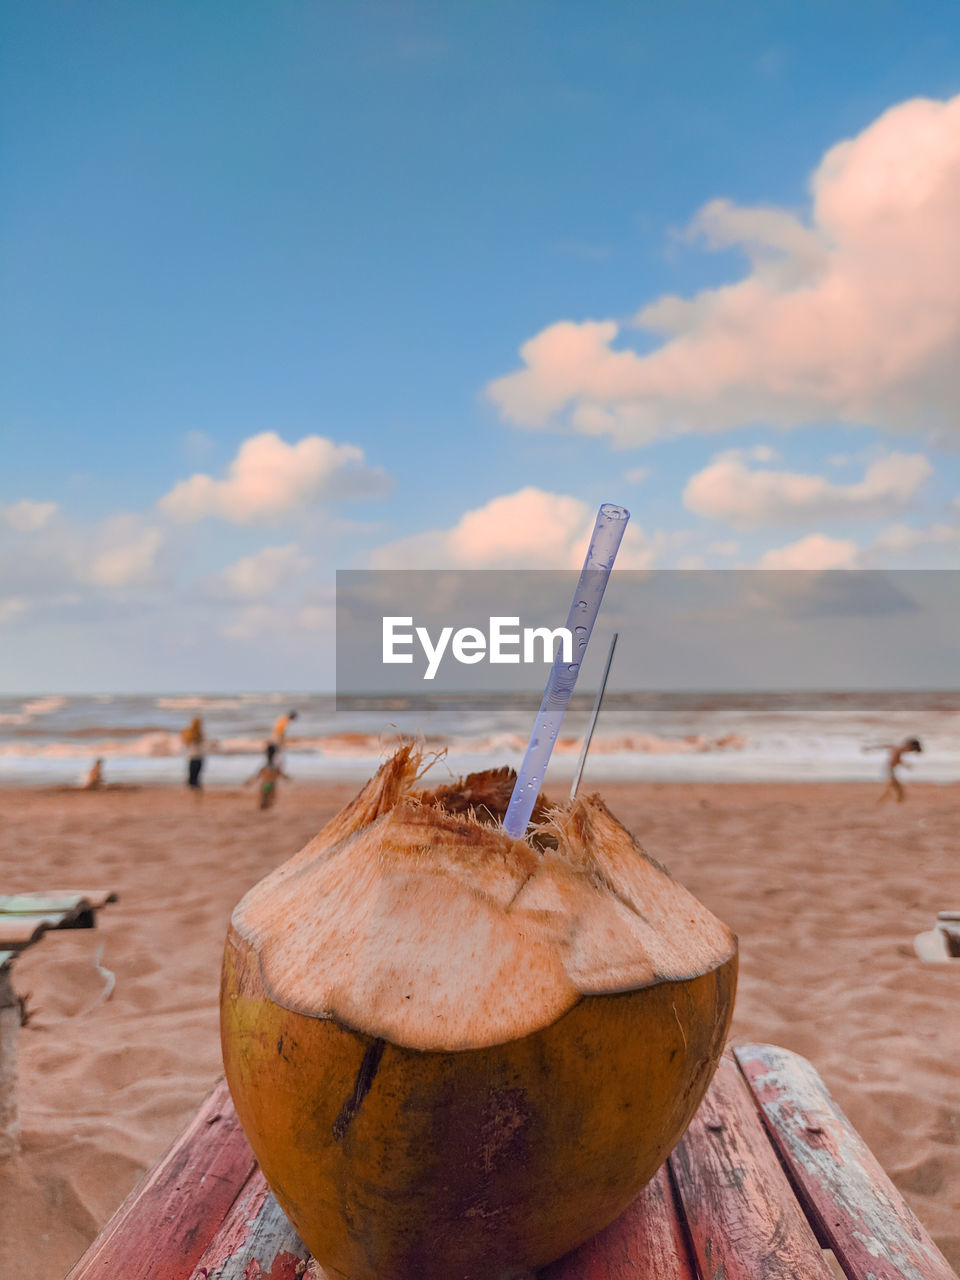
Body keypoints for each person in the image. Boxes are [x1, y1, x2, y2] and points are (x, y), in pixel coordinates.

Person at [878, 736, 923, 804]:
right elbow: (894, 761)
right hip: (890, 772)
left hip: (889, 771)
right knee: (895, 791)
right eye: (911, 750)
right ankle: (880, 804)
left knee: (894, 790)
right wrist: (905, 765)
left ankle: (887, 803)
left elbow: (888, 747)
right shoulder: (898, 750)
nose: (909, 752)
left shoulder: (897, 749)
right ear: (908, 746)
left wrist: (870, 748)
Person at [247, 742, 291, 810]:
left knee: (264, 803)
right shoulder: (274, 768)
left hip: (265, 784)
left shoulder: (265, 768)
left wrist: (250, 782)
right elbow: (282, 775)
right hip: (272, 785)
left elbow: (257, 777)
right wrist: (287, 778)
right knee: (269, 802)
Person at [181, 716, 206, 792]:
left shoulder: (196, 733)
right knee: (195, 775)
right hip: (196, 756)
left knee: (194, 774)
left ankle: (193, 787)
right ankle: (193, 787)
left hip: (195, 756)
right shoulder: (194, 734)